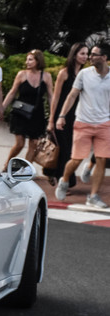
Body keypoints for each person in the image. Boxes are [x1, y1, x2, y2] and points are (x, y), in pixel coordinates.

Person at [55, 42, 110, 209]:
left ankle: (93, 196)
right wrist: (62, 116)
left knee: (101, 160)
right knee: (76, 159)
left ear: (104, 57)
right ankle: (64, 180)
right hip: (83, 122)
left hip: (104, 124)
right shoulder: (84, 74)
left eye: (94, 54)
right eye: (90, 54)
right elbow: (72, 95)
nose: (90, 57)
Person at [0, 49, 54, 169]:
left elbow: (51, 96)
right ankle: (7, 165)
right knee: (19, 143)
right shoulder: (21, 74)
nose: (27, 62)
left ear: (38, 60)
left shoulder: (46, 76)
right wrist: (1, 108)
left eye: (30, 59)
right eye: (27, 59)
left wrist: (53, 115)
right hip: (21, 113)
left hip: (37, 114)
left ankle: (23, 171)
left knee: (33, 144)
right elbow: (12, 92)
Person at [45, 43, 88, 187]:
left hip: (76, 117)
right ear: (74, 54)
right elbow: (55, 98)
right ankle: (65, 181)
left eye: (86, 54)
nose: (85, 57)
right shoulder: (64, 73)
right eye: (82, 53)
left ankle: (54, 174)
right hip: (61, 117)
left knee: (72, 150)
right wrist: (52, 120)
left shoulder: (84, 74)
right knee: (64, 149)